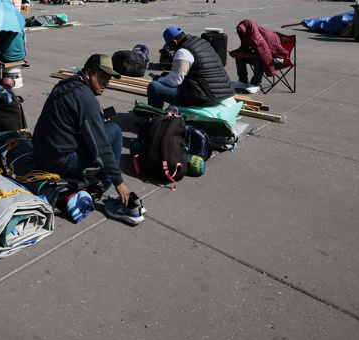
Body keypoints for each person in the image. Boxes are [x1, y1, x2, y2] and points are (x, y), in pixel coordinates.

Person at [33, 54, 145, 225]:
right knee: (114, 131)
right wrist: (119, 182)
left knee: (99, 129)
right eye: (102, 77)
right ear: (88, 73)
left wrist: (95, 117)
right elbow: (101, 147)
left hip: (41, 153)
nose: (106, 83)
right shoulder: (87, 99)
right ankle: (102, 185)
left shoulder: (68, 83)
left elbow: (70, 117)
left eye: (108, 79)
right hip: (59, 162)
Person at [146, 26, 234, 108]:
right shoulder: (200, 42)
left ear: (174, 41)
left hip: (207, 97)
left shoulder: (183, 51)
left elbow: (174, 81)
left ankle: (154, 118)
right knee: (169, 79)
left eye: (170, 45)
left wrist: (159, 79)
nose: (170, 49)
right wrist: (168, 75)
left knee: (154, 87)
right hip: (224, 92)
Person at [230, 19, 290, 94]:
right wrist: (237, 52)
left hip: (280, 59)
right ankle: (243, 81)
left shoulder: (257, 36)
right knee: (239, 57)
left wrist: (243, 54)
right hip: (265, 57)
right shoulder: (249, 32)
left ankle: (255, 84)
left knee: (259, 60)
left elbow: (264, 55)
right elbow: (245, 47)